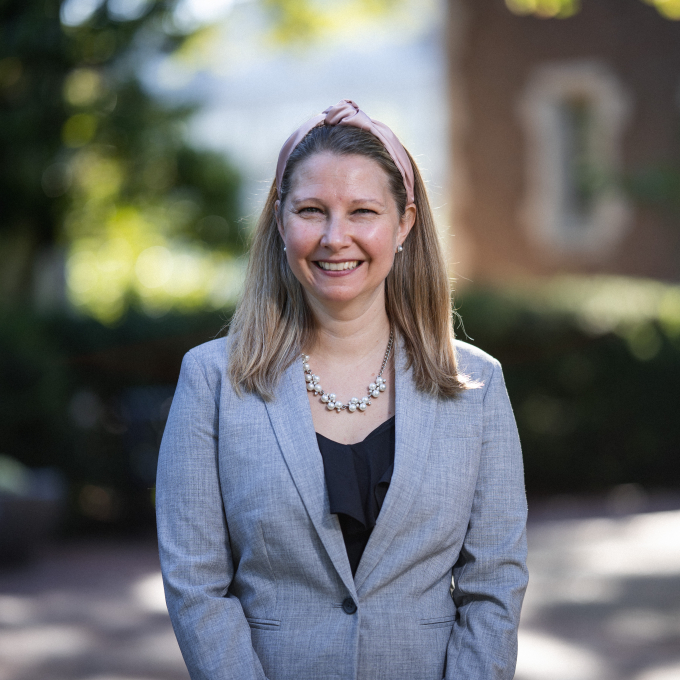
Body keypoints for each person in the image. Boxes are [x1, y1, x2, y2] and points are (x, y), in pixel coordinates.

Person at [156, 99, 528, 680]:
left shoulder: (477, 386)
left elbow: (494, 585)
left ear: (404, 223)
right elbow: (196, 585)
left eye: (362, 211)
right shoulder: (211, 381)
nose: (336, 237)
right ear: (279, 221)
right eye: (311, 210)